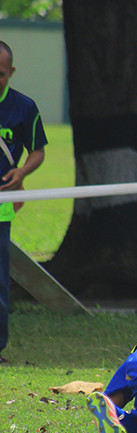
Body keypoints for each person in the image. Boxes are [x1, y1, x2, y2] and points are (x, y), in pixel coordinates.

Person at [0, 41, 47, 364]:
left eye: (0, 73)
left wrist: (21, 174)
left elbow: (38, 150)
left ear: (11, 72)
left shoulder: (24, 107)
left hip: (2, 204)